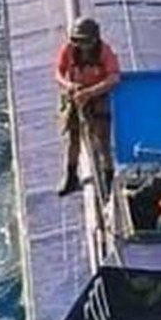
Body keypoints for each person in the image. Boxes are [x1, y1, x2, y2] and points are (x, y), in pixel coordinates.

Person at [54, 15, 121, 195]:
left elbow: (114, 77)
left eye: (85, 41)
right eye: (78, 41)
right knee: (73, 139)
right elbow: (58, 72)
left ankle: (108, 182)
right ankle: (71, 177)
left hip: (98, 96)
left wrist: (90, 92)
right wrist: (69, 87)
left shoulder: (105, 51)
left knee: (103, 141)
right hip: (76, 96)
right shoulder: (69, 49)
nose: (82, 46)